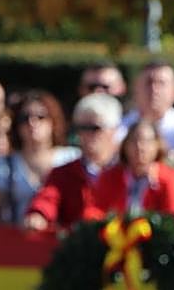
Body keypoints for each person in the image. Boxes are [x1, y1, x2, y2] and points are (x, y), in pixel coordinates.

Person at [24, 93, 121, 230]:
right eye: (82, 128)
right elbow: (48, 198)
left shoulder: (127, 172)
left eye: (94, 128)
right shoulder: (64, 173)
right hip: (77, 246)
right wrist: (38, 214)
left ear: (114, 130)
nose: (86, 135)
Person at [0, 90, 78, 225]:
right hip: (18, 240)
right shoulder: (3, 164)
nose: (32, 123)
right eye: (25, 118)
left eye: (41, 116)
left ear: (53, 121)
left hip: (64, 239)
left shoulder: (71, 157)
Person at [86, 119, 174, 218]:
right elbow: (94, 211)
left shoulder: (169, 179)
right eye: (134, 141)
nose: (140, 147)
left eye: (147, 141)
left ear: (157, 145)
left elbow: (171, 218)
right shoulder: (110, 177)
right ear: (125, 145)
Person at [119, 60, 174, 149]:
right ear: (135, 88)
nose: (154, 89)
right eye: (148, 83)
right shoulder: (118, 132)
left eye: (161, 83)